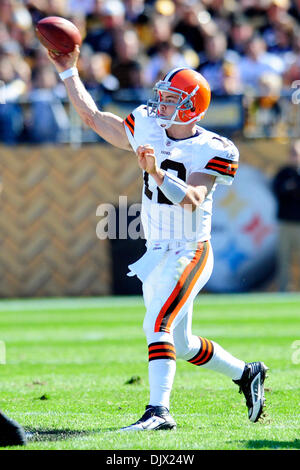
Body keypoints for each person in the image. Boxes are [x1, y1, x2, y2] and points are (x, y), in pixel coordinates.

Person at [47, 46, 268, 430]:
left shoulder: (214, 148)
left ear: (191, 107)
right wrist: (69, 72)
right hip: (156, 251)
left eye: (171, 99)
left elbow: (194, 199)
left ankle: (159, 412)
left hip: (191, 248)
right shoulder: (147, 124)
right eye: (162, 95)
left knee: (157, 325)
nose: (160, 103)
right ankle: (246, 374)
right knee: (179, 344)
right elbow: (93, 117)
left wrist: (158, 173)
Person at [273, 140, 300, 291]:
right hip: (285, 223)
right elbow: (279, 191)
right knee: (284, 259)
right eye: (292, 153)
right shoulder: (284, 173)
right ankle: (283, 290)